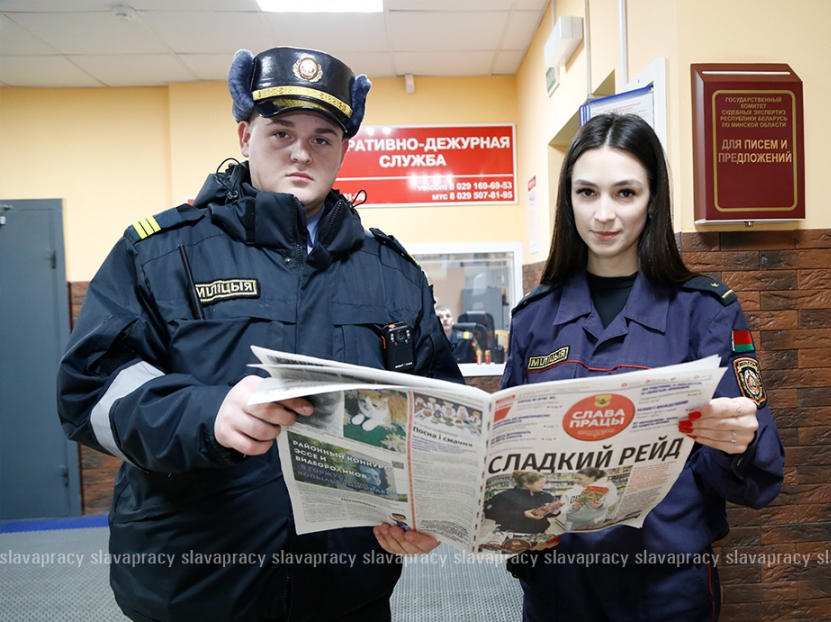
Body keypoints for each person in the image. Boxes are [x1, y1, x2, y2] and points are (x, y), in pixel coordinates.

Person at [57, 47, 463, 622]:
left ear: (344, 149)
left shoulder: (394, 273)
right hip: (197, 584)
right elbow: (91, 391)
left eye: (322, 137)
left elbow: (440, 413)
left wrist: (429, 512)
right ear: (245, 135)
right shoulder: (159, 254)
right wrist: (207, 413)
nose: (301, 152)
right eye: (281, 133)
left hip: (347, 588)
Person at [500, 113, 784, 621]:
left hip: (665, 583)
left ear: (653, 200)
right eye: (587, 193)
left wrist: (740, 442)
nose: (603, 214)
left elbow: (758, 478)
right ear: (568, 199)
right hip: (558, 583)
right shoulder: (533, 317)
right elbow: (510, 458)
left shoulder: (705, 311)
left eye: (625, 193)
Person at [483, 470, 558, 534]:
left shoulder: (545, 496)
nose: (543, 485)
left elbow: (545, 513)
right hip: (513, 534)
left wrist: (553, 512)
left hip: (539, 534)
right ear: (527, 483)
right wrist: (523, 514)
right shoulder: (505, 496)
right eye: (540, 483)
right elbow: (491, 514)